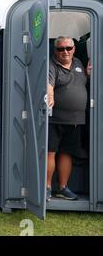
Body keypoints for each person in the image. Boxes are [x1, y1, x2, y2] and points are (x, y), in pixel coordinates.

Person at [47, 36, 91, 201]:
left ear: (74, 49)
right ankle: (47, 188)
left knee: (67, 153)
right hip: (55, 119)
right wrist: (50, 95)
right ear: (55, 50)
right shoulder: (51, 65)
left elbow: (81, 81)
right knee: (50, 153)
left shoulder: (78, 63)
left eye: (68, 48)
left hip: (76, 120)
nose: (65, 51)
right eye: (61, 49)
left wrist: (87, 74)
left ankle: (62, 188)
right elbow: (48, 84)